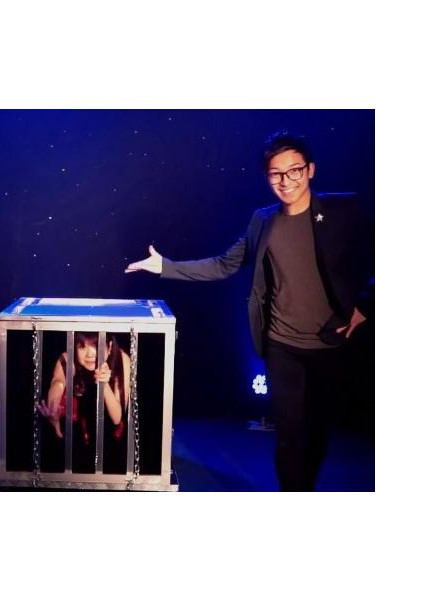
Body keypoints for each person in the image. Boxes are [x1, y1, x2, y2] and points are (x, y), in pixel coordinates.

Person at [125, 131, 374, 491]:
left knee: (316, 431)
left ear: (310, 170)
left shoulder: (340, 213)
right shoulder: (263, 221)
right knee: (288, 433)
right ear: (267, 177)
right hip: (281, 344)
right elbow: (224, 264)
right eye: (276, 174)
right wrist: (165, 266)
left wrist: (365, 304)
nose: (286, 181)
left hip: (329, 343)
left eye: (294, 171)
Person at [37, 332, 131, 473]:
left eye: (96, 345)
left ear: (110, 346)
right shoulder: (68, 358)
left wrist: (104, 384)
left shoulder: (121, 359)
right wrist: (53, 409)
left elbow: (117, 417)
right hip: (77, 438)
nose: (89, 354)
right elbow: (58, 383)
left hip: (110, 439)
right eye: (82, 346)